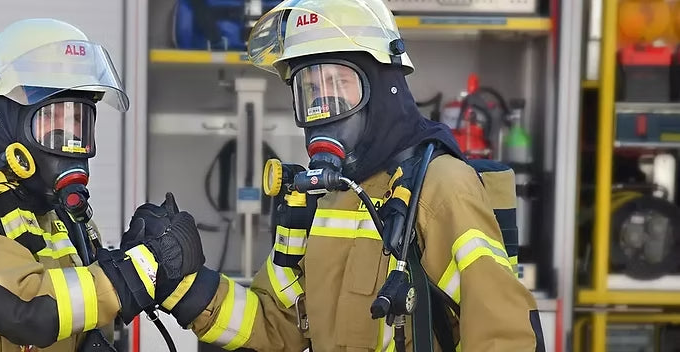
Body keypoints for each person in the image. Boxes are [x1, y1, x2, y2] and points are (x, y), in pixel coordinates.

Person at [144, 0, 547, 350]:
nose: (325, 105)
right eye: (311, 91)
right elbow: (275, 325)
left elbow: (502, 336)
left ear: (385, 86)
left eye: (339, 83)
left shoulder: (440, 189)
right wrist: (186, 285)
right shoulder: (324, 199)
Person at [0, 18, 205, 352]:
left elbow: (85, 305)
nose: (68, 139)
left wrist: (133, 256)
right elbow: (27, 311)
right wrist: (144, 268)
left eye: (77, 122)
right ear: (7, 119)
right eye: (51, 121)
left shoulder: (64, 218)